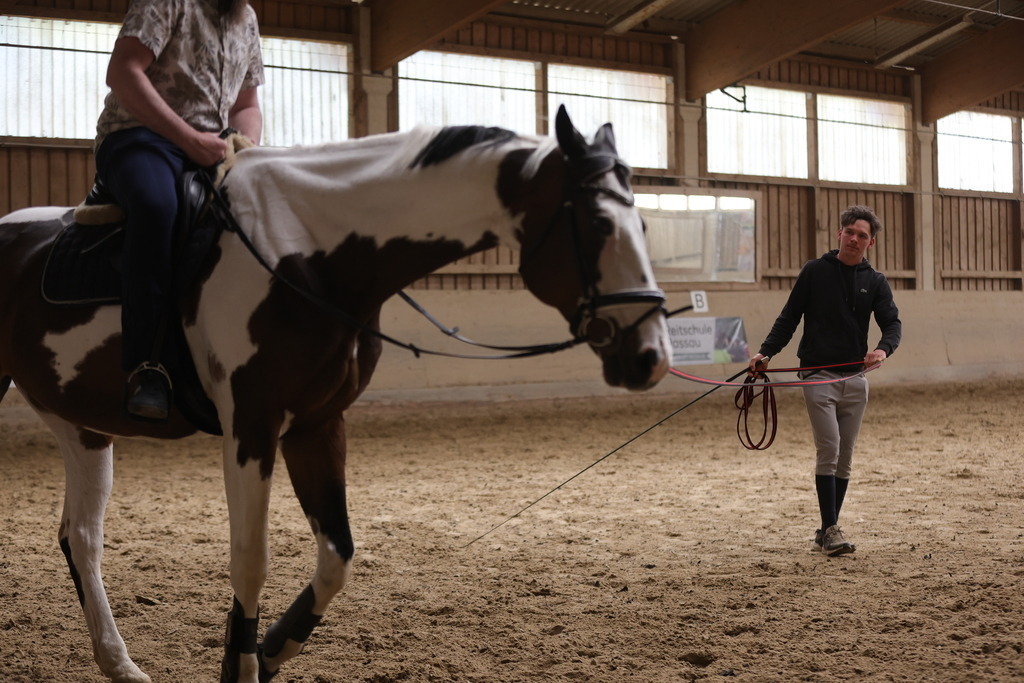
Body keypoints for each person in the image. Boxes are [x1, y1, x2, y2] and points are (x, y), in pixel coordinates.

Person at [94, 0, 264, 420]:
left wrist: (244, 144)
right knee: (157, 207)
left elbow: (246, 104)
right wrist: (189, 139)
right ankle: (147, 365)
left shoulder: (248, 19)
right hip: (139, 137)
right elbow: (123, 72)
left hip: (210, 148)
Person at [748, 205, 902, 557]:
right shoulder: (815, 272)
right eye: (850, 232)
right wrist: (766, 352)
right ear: (840, 234)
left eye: (862, 235)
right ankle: (831, 530)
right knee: (829, 448)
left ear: (870, 243)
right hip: (817, 374)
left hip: (855, 376)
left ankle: (826, 529)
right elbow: (789, 317)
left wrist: (882, 350)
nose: (854, 239)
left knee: (845, 457)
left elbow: (892, 324)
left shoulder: (875, 282)